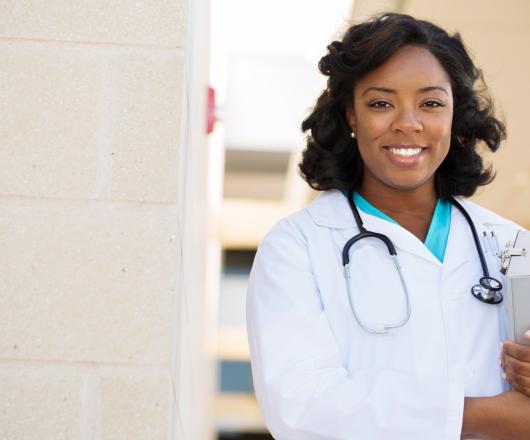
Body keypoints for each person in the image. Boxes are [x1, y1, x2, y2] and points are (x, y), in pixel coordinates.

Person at [246, 12, 530, 440]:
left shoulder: (513, 247)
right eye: (381, 103)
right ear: (351, 116)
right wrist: (489, 417)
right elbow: (301, 404)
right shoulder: (297, 246)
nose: (408, 123)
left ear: (455, 117)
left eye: (431, 103)